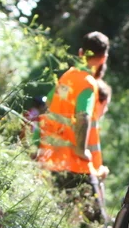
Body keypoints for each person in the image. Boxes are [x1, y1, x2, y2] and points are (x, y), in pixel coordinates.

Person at [36, 31, 111, 209]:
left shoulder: (67, 77)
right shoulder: (87, 83)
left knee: (58, 213)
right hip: (75, 164)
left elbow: (48, 104)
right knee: (95, 219)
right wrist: (81, 150)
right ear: (103, 58)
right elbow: (83, 116)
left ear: (80, 52)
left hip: (52, 159)